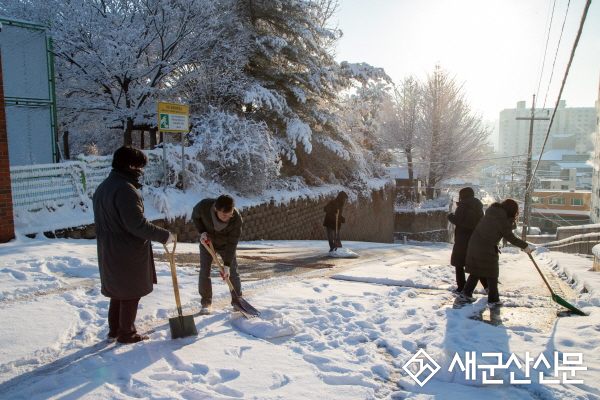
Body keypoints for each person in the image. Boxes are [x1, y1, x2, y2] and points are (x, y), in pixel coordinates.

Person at [93, 146, 175, 344]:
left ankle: (115, 330)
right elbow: (136, 224)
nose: (140, 171)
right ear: (130, 165)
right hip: (126, 249)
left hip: (109, 246)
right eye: (139, 167)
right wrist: (165, 236)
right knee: (130, 292)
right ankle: (127, 333)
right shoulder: (125, 190)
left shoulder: (104, 186)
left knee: (118, 291)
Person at [460, 198, 535, 306]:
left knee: (476, 271)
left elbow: (490, 232)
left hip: (476, 245)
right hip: (485, 247)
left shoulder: (493, 212)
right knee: (492, 273)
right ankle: (493, 299)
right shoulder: (501, 218)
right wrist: (525, 246)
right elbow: (510, 236)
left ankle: (466, 294)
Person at [192, 194, 243, 314]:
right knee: (205, 271)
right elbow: (195, 216)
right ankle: (206, 302)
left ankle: (238, 301)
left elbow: (232, 243)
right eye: (224, 215)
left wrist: (226, 264)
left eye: (229, 214)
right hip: (207, 242)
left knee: (233, 271)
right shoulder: (204, 206)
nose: (227, 217)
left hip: (225, 245)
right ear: (216, 209)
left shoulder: (236, 219)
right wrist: (202, 231)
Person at [447, 187, 487, 294]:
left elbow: (457, 220)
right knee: (475, 265)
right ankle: (487, 286)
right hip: (475, 239)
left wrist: (450, 216)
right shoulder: (479, 207)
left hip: (462, 240)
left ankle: (461, 287)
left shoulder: (462, 206)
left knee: (459, 264)